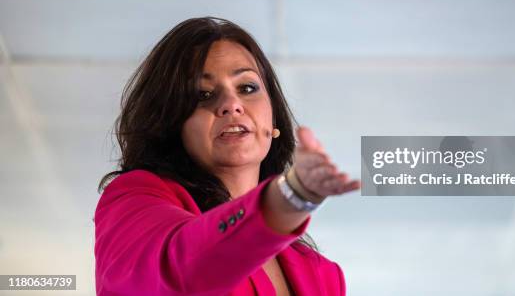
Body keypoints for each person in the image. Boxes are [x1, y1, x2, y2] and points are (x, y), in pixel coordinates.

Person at [94, 17, 361, 295]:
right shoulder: (131, 200)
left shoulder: (323, 275)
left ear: (273, 118)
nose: (231, 105)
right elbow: (181, 270)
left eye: (247, 88)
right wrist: (291, 196)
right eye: (203, 94)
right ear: (170, 123)